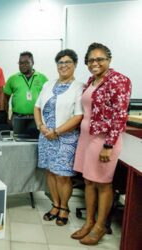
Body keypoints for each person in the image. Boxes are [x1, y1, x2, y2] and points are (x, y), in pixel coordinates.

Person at [71, 43, 131, 245]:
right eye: (91, 60)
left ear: (109, 60)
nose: (95, 63)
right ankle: (89, 222)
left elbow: (120, 116)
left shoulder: (119, 81)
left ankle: (100, 226)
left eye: (100, 59)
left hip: (103, 140)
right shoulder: (92, 80)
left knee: (103, 183)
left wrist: (108, 145)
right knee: (88, 181)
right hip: (86, 137)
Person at [34, 49, 84, 226]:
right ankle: (55, 205)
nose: (63, 66)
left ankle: (64, 207)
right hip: (45, 136)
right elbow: (37, 107)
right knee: (50, 171)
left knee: (63, 175)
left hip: (66, 139)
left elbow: (78, 116)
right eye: (60, 63)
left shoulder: (79, 87)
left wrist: (57, 131)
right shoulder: (48, 84)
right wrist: (41, 126)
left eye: (68, 62)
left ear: (75, 64)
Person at [4, 51, 48, 118]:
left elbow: (48, 99)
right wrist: (6, 117)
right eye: (20, 63)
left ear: (32, 62)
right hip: (17, 117)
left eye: (26, 63)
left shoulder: (43, 78)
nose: (23, 65)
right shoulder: (12, 79)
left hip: (37, 117)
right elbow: (5, 99)